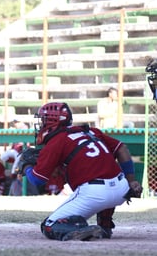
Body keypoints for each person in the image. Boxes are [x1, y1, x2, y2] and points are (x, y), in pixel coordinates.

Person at [18, 102, 143, 241]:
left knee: (49, 225)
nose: (41, 125)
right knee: (106, 179)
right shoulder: (91, 131)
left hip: (94, 193)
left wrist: (26, 167)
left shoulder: (57, 140)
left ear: (52, 121)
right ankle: (105, 224)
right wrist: (131, 180)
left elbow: (37, 179)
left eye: (43, 120)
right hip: (122, 189)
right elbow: (122, 149)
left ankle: (81, 228)